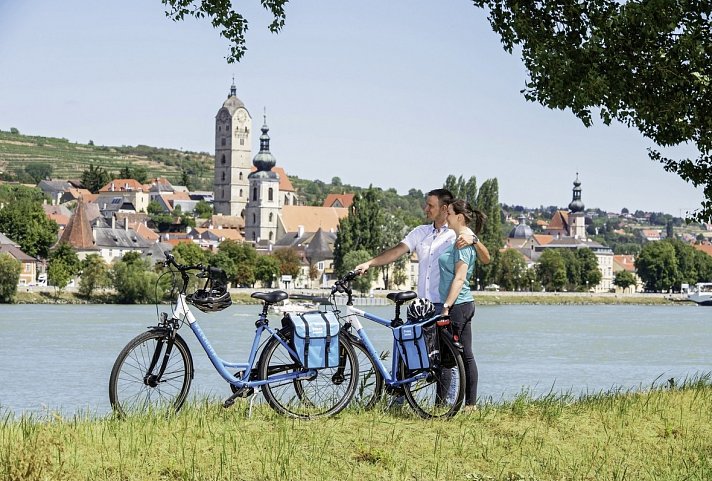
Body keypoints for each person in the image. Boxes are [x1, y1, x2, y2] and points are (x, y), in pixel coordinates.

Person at [354, 189, 475, 310]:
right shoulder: (420, 232)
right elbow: (396, 251)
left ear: (444, 208)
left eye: (430, 206)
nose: (426, 209)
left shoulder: (458, 233)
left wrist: (475, 240)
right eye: (426, 204)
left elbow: (485, 258)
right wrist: (369, 263)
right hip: (422, 306)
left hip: (444, 304)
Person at [438, 199, 490, 411]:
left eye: (449, 213)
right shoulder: (462, 239)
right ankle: (469, 404)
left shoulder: (463, 242)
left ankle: (452, 404)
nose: (446, 216)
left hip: (458, 305)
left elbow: (459, 278)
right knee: (464, 354)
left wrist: (446, 307)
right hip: (464, 303)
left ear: (459, 217)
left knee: (453, 357)